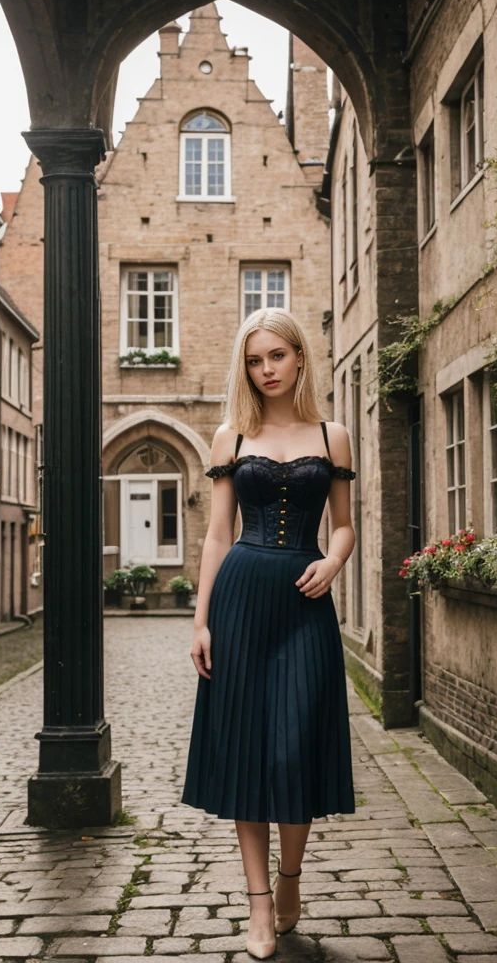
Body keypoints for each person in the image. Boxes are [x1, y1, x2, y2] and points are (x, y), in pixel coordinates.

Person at [180, 308, 357, 959]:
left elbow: (343, 524)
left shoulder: (332, 435)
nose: (266, 370)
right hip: (241, 600)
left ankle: (290, 879)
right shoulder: (232, 435)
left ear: (300, 357)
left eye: (276, 357)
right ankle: (258, 905)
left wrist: (334, 562)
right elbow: (218, 534)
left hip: (305, 604)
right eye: (254, 361)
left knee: (293, 750)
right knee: (247, 752)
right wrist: (201, 621)